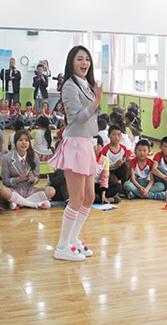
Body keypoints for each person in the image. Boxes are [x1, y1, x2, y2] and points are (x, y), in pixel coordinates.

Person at [48, 45, 103, 262]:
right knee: (77, 198)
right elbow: (79, 118)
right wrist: (97, 100)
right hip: (74, 144)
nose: (85, 63)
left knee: (89, 197)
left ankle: (73, 238)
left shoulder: (86, 85)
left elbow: (90, 120)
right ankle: (62, 246)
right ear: (72, 62)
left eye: (87, 59)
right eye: (80, 59)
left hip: (86, 143)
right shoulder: (69, 86)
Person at [0, 130, 55, 209]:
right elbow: (5, 180)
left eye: (26, 140)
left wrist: (33, 179)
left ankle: (19, 203)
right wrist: (17, 180)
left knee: (51, 190)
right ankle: (34, 204)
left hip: (30, 190)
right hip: (14, 190)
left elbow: (37, 178)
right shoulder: (7, 158)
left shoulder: (34, 157)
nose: (24, 143)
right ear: (14, 143)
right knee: (3, 191)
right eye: (20, 140)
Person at [93, 135, 122, 204]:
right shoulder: (87, 157)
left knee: (118, 186)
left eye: (98, 145)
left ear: (101, 146)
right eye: (93, 144)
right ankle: (108, 199)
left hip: (99, 185)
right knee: (87, 195)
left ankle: (102, 198)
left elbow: (104, 178)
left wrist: (103, 193)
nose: (95, 147)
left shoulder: (105, 160)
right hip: (88, 185)